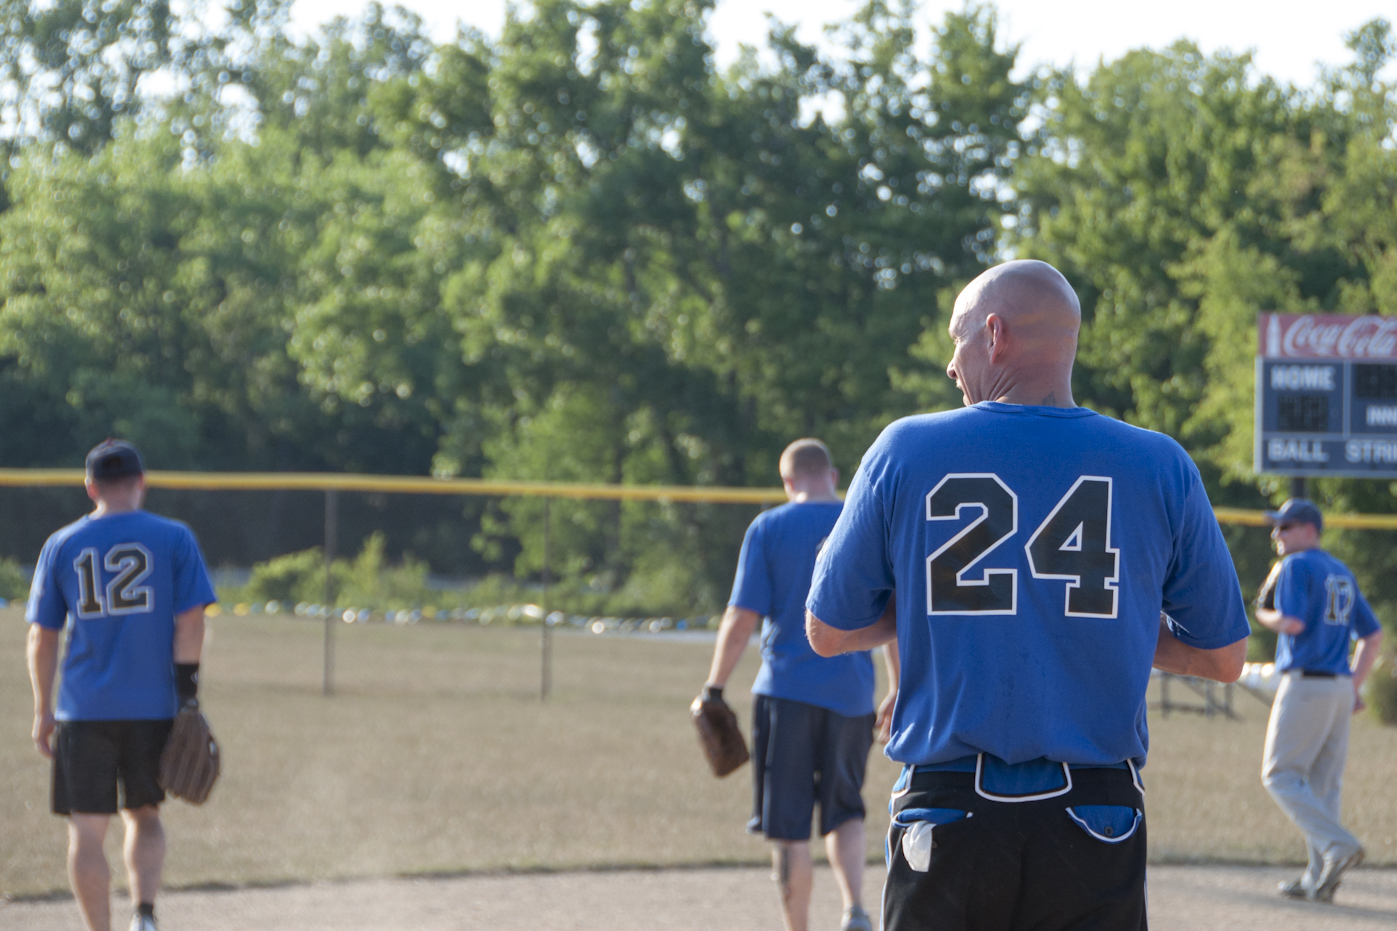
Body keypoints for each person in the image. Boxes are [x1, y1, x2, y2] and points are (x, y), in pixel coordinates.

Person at [804, 259, 1251, 931]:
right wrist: (1110, 625)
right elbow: (1221, 657)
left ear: (994, 334)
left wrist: (941, 617)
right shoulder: (1160, 463)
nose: (951, 366)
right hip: (1096, 811)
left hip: (947, 807)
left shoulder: (905, 448)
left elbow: (828, 629)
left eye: (957, 341)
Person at [700, 438, 898, 931]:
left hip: (785, 694)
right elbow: (891, 615)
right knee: (845, 810)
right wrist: (896, 686)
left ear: (788, 482)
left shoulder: (769, 526)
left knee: (788, 830)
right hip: (852, 697)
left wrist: (715, 688)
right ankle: (854, 910)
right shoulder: (862, 521)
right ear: (831, 476)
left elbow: (741, 619)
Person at [26, 440, 217, 931]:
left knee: (86, 833)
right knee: (146, 815)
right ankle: (145, 916)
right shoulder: (174, 537)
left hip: (82, 710)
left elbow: (42, 637)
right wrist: (188, 697)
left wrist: (42, 709)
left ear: (90, 487)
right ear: (141, 483)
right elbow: (190, 623)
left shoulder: (61, 544)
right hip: (153, 707)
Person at [1255, 498, 1383, 904]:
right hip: (1337, 687)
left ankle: (1337, 845)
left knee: (1279, 775)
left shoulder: (1297, 565)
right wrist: (1354, 686)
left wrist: (1263, 614)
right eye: (1276, 527)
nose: (1278, 534)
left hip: (1306, 684)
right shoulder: (1340, 570)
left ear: (1310, 529)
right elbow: (1373, 636)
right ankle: (1318, 880)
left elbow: (1291, 623)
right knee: (1323, 787)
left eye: (1286, 526)